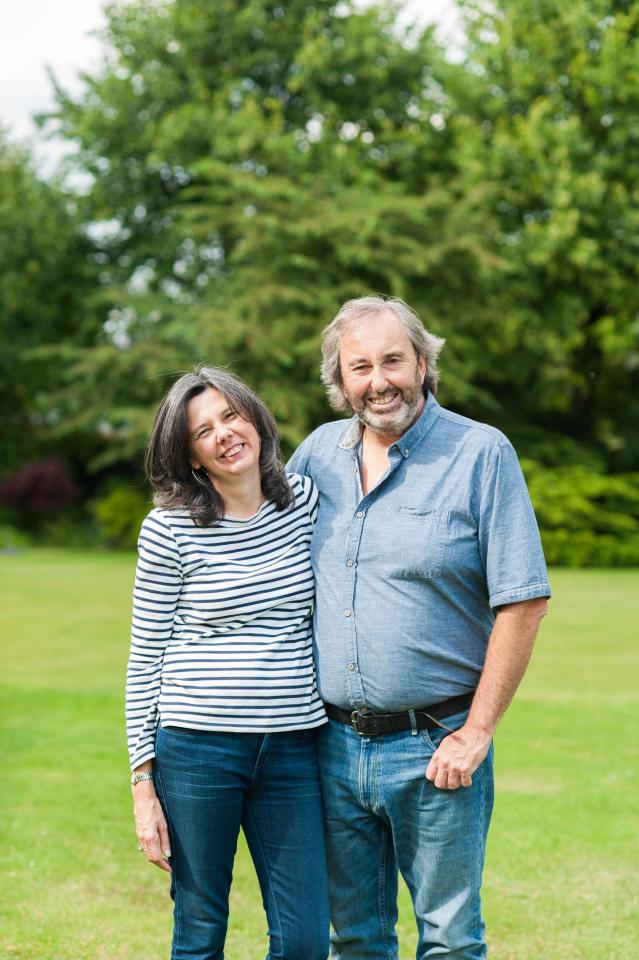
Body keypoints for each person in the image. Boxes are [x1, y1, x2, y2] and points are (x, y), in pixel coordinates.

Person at [288, 296, 551, 960]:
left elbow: (521, 603)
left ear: (422, 363)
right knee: (354, 938)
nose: (378, 381)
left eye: (392, 360)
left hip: (436, 748)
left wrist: (478, 731)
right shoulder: (316, 455)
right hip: (332, 747)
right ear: (340, 380)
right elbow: (257, 542)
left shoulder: (479, 453)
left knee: (449, 939)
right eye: (360, 367)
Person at [126, 366, 329, 960]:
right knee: (199, 928)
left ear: (255, 419)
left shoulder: (307, 503)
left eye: (230, 416)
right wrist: (143, 786)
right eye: (202, 431)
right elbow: (145, 658)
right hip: (196, 748)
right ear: (190, 456)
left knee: (304, 940)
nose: (223, 434)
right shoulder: (168, 532)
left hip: (293, 747)